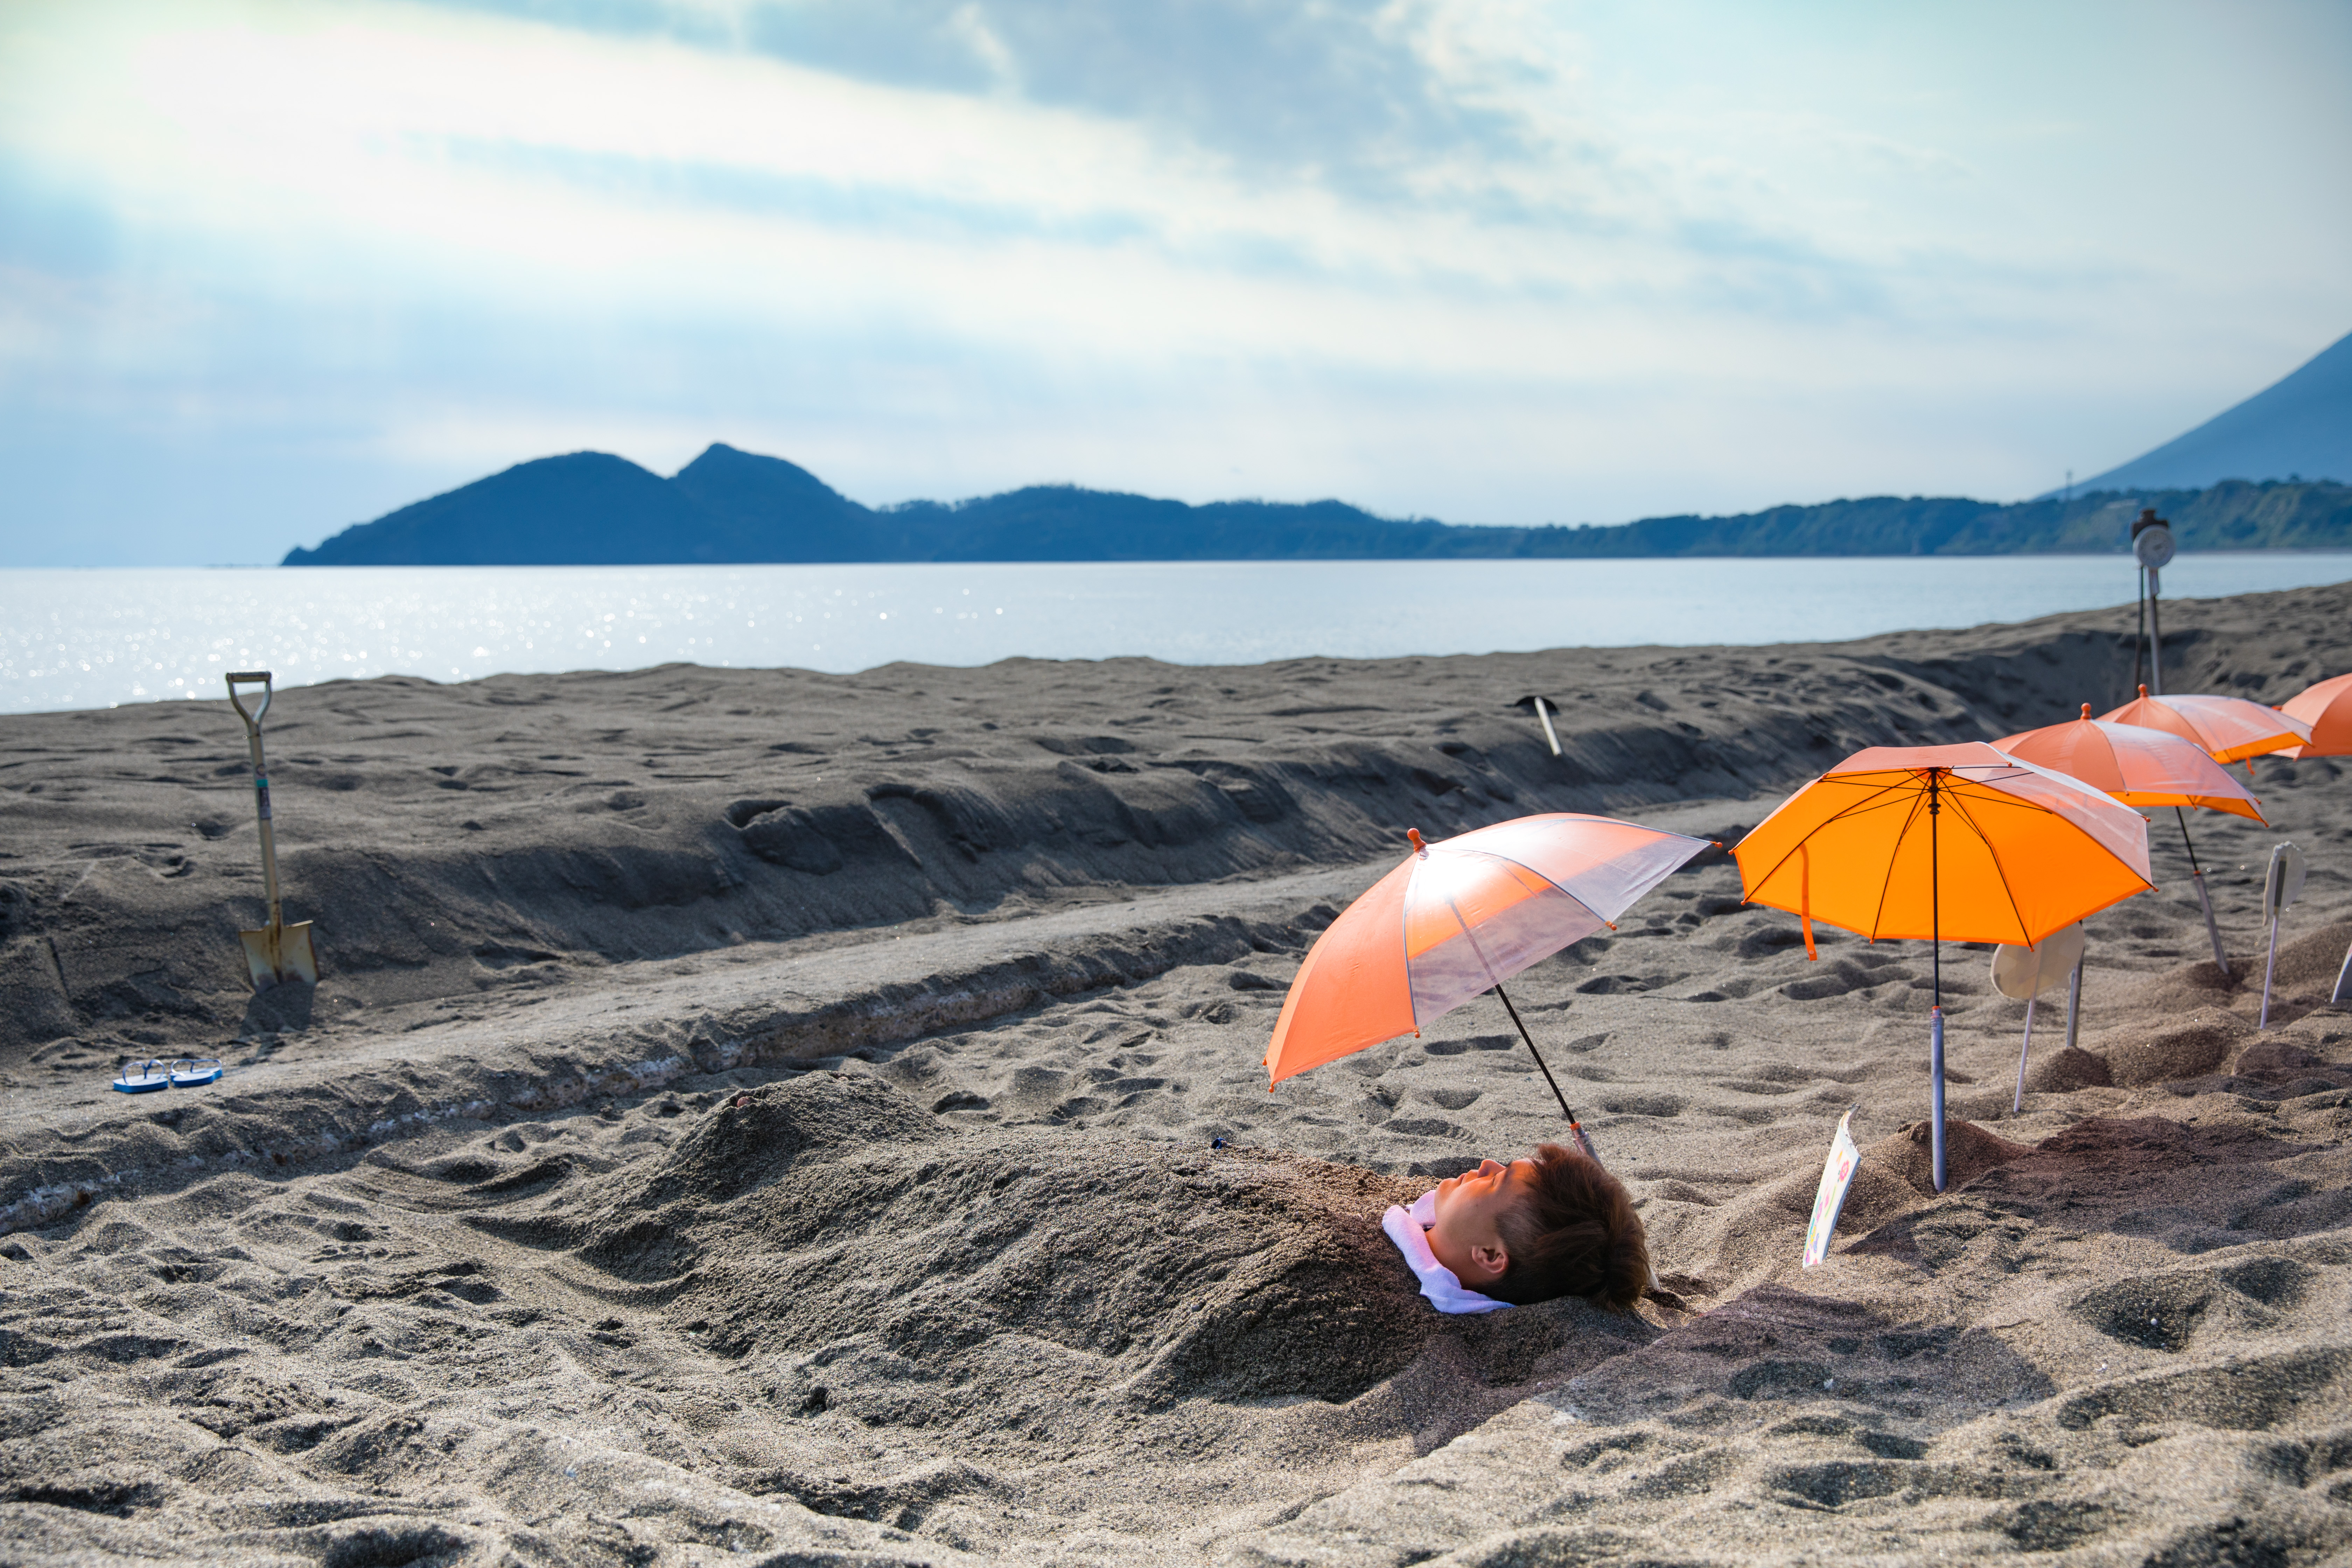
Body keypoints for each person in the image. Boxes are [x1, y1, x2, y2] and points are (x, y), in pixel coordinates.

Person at [1381, 1144, 1650, 1315]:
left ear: (1490, 1255)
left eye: (1495, 1181)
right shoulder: (1447, 1219)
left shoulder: (1388, 1290)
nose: (1487, 1164)